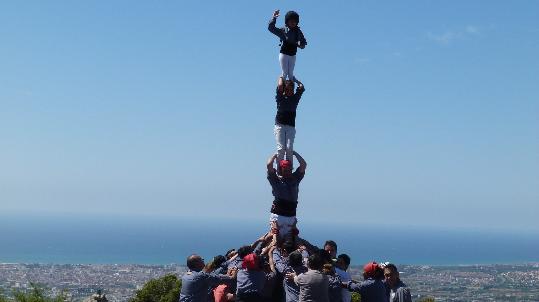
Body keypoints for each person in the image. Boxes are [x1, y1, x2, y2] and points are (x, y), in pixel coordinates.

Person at [266, 151, 307, 240]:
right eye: (285, 170)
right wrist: (275, 154)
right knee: (275, 240)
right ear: (280, 170)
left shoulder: (295, 178)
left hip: (291, 215)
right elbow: (269, 165)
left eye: (289, 169)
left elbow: (303, 164)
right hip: (278, 216)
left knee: (291, 242)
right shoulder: (275, 180)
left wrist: (294, 153)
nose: (287, 172)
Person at [268, 10, 307, 83]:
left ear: (297, 22)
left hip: (293, 55)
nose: (293, 22)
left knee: (291, 74)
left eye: (294, 21)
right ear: (287, 21)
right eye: (291, 21)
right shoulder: (283, 30)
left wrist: (301, 45)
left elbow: (303, 42)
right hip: (284, 54)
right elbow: (271, 28)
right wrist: (274, 18)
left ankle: (292, 89)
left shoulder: (298, 32)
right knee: (285, 73)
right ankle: (280, 88)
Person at [273, 77, 305, 166]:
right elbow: (280, 85)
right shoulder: (280, 97)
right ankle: (280, 169)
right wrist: (281, 77)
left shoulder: (295, 98)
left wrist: (295, 80)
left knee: (289, 148)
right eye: (287, 89)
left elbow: (301, 87)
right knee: (281, 149)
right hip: (280, 126)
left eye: (291, 89)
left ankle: (289, 168)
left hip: (290, 126)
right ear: (284, 89)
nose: (289, 91)